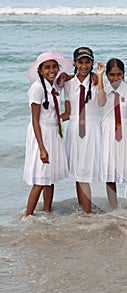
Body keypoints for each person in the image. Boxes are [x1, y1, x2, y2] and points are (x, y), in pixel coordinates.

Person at [24, 49, 73, 216]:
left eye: (54, 67)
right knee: (41, 178)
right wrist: (42, 148)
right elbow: (35, 120)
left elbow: (69, 78)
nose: (51, 71)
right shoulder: (37, 88)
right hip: (42, 134)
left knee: (50, 179)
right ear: (40, 70)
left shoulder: (54, 86)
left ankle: (47, 212)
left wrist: (91, 76)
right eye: (47, 68)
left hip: (54, 132)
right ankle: (28, 216)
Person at [62, 47, 106, 213]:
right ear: (75, 63)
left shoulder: (96, 82)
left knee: (85, 172)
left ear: (92, 63)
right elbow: (67, 111)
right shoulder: (68, 83)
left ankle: (87, 212)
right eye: (80, 62)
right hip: (74, 130)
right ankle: (84, 210)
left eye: (87, 62)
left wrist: (100, 77)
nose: (84, 65)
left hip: (91, 128)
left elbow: (101, 102)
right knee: (77, 172)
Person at [101, 58, 127, 208]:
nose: (115, 78)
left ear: (123, 74)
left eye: (119, 74)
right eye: (111, 75)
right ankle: (113, 208)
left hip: (126, 131)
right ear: (107, 75)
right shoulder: (103, 90)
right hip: (108, 132)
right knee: (110, 171)